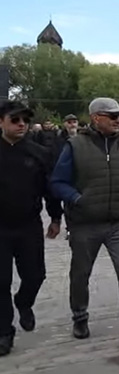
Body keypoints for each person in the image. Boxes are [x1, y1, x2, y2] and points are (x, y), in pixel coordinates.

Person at [50, 97, 119, 346]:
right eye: (112, 116)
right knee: (81, 273)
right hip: (85, 223)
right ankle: (80, 316)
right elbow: (57, 182)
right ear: (96, 118)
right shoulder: (75, 146)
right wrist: (77, 198)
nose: (118, 121)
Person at [0, 102, 62, 357]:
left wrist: (56, 217)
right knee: (0, 282)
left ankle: (24, 302)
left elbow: (49, 188)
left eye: (25, 119)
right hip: (0, 228)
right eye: (15, 120)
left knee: (35, 274)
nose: (21, 124)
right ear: (1, 122)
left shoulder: (38, 152)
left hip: (28, 224)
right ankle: (4, 332)